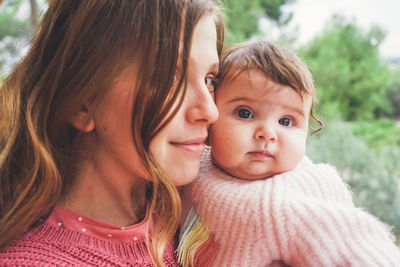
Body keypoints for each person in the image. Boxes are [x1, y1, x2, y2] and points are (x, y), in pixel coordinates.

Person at [0, 0, 224, 266]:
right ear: (82, 102)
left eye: (210, 79)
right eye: (167, 77)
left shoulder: (206, 211)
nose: (210, 111)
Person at [180, 41, 400, 266]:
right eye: (245, 113)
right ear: (212, 114)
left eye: (286, 121)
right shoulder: (194, 162)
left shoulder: (289, 200)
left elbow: (359, 248)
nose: (267, 133)